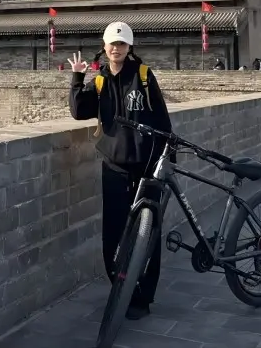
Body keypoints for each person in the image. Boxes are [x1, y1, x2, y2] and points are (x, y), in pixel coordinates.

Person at [68, 21, 172, 321]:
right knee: (113, 234)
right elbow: (78, 111)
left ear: (129, 47)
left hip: (146, 166)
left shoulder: (142, 76)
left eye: (122, 44)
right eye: (112, 44)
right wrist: (77, 77)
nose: (116, 49)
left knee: (148, 230)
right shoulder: (100, 81)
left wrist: (166, 157)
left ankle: (143, 297)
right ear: (104, 47)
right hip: (113, 167)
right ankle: (120, 288)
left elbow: (163, 121)